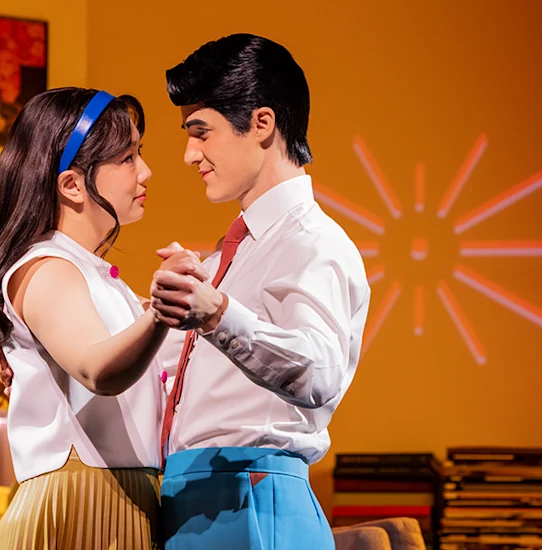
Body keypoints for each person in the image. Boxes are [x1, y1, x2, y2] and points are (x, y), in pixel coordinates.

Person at [0, 87, 205, 549]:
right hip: (84, 501)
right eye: (127, 158)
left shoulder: (97, 278)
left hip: (121, 496)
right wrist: (163, 310)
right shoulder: (46, 268)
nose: (145, 172)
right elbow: (97, 369)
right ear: (72, 184)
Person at [148, 33, 371, 550]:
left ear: (262, 123)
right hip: (195, 494)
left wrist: (216, 314)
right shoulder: (230, 256)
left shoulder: (313, 242)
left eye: (201, 132)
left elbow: (321, 373)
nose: (188, 154)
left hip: (252, 494)